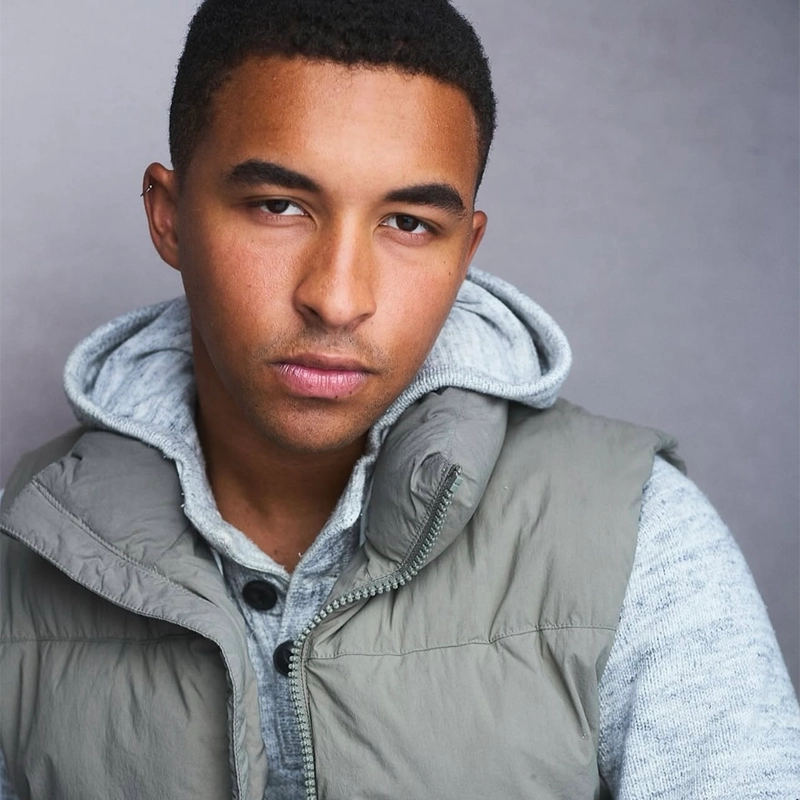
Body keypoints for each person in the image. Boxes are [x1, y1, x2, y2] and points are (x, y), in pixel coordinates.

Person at [1, 0, 798, 797]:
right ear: (169, 217)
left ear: (467, 249)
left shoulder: (634, 531)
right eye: (279, 206)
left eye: (410, 224)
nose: (339, 299)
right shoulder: (26, 540)